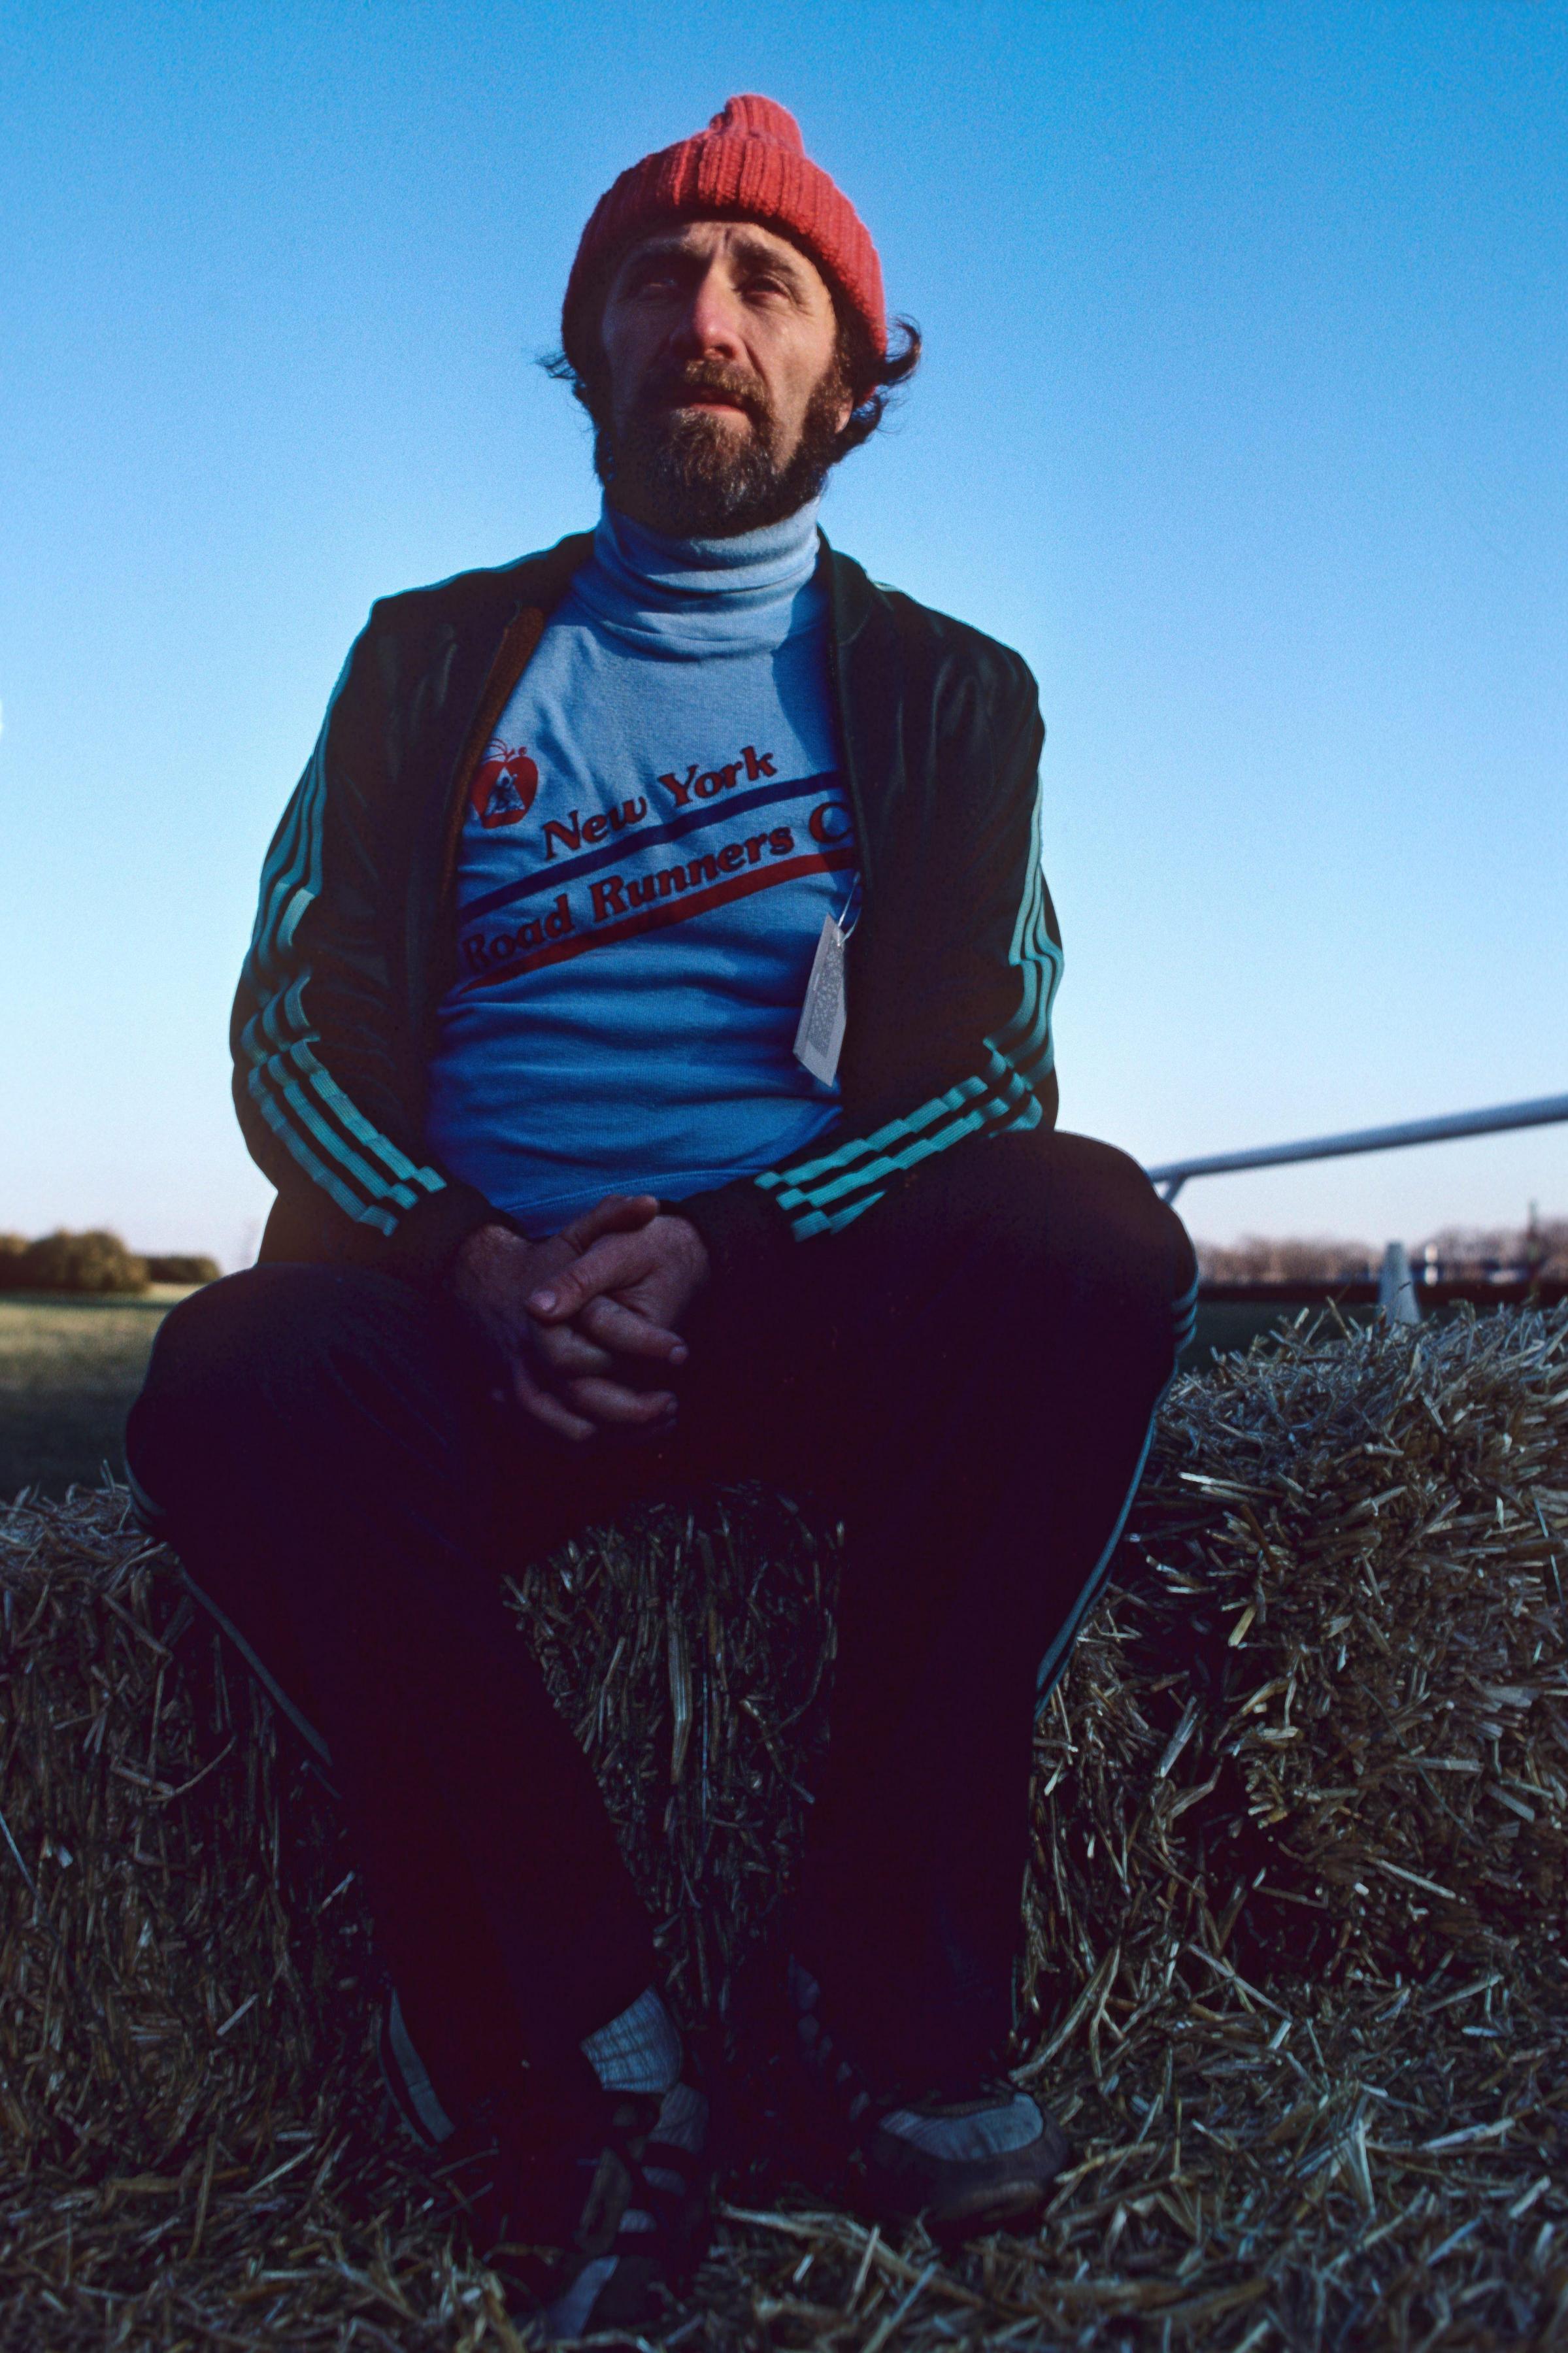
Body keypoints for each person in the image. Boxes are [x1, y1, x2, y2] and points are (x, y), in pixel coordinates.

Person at [127, 93, 1197, 2336]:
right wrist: (476, 1265)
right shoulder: (428, 657)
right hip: (468, 1326)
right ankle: (591, 2052)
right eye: (657, 277)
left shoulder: (949, 692)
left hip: (788, 1301)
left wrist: (729, 1241)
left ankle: (877, 1997)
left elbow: (987, 1071)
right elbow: (289, 1034)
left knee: (1088, 1233)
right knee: (229, 1375)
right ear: (593, 350)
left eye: (767, 284)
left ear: (849, 379)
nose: (706, 314)